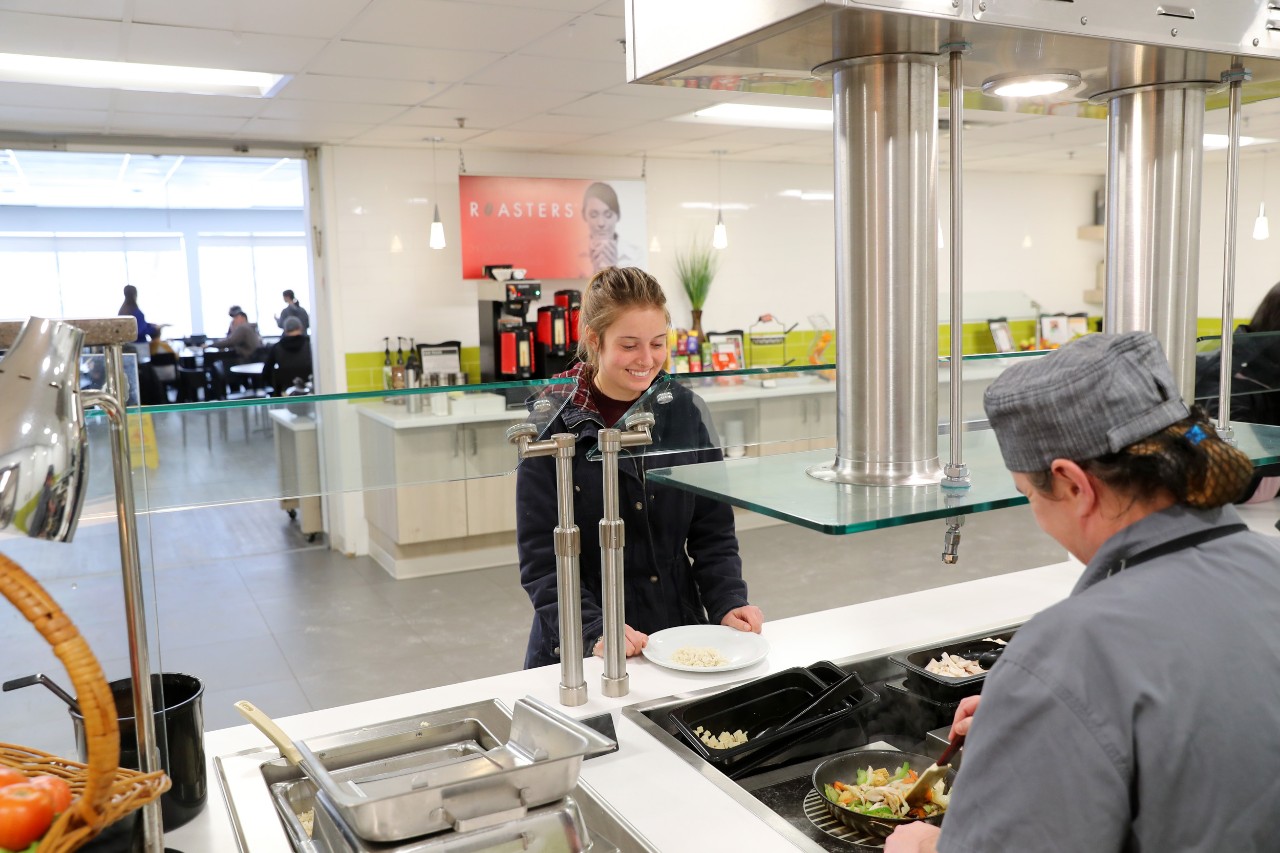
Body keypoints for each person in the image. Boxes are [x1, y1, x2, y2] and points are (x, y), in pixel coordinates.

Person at [886, 331, 1279, 853]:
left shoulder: (1071, 651)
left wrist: (920, 848)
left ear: (1073, 484)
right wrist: (1044, 717)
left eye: (1029, 494)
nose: (1036, 513)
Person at [515, 266, 763, 668]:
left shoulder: (681, 410)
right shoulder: (552, 419)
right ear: (595, 340)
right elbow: (543, 557)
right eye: (629, 346)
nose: (647, 360)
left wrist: (726, 601)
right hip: (583, 647)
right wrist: (592, 628)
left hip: (675, 629)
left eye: (658, 343)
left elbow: (712, 529)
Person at [580, 182, 638, 276]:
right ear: (584, 215)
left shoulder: (636, 254)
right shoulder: (571, 255)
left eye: (608, 215)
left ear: (618, 215)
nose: (601, 223)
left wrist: (613, 270)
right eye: (594, 215)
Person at [267, 316, 312, 395]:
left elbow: (266, 372)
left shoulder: (276, 348)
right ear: (300, 328)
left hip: (284, 395)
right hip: (309, 392)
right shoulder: (310, 345)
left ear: (285, 330)